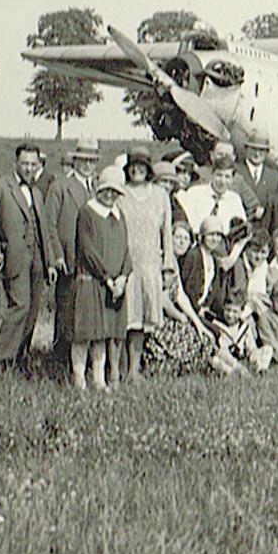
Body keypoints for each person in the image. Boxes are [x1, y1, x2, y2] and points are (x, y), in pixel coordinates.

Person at [0, 143, 53, 370]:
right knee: (19, 306)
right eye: (25, 164)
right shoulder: (0, 187)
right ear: (15, 164)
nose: (29, 168)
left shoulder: (37, 192)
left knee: (32, 310)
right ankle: (2, 362)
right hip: (14, 258)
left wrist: (49, 262)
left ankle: (21, 356)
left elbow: (43, 229)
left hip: (37, 260)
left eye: (33, 164)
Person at [70, 167, 131, 391]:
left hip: (114, 286)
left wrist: (123, 277)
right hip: (91, 282)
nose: (110, 195)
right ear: (99, 188)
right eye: (106, 190)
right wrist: (107, 278)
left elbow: (126, 250)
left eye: (115, 192)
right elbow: (88, 250)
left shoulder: (119, 215)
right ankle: (79, 379)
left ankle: (98, 378)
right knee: (84, 333)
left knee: (103, 334)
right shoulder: (87, 213)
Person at [118, 146, 175, 382]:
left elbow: (167, 233)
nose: (137, 170)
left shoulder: (160, 195)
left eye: (142, 166)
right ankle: (117, 370)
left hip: (150, 265)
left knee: (142, 321)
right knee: (124, 318)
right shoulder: (120, 193)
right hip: (126, 264)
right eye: (133, 166)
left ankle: (135, 369)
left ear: (148, 169)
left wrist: (168, 265)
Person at [43, 139, 97, 361]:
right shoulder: (60, 187)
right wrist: (56, 255)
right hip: (69, 260)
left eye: (91, 161)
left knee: (89, 314)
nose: (87, 165)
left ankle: (86, 360)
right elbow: (49, 225)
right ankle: (60, 358)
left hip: (93, 263)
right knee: (66, 310)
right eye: (83, 160)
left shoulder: (99, 188)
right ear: (75, 161)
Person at [143, 265, 216, 377]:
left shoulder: (172, 262)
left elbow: (180, 296)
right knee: (192, 341)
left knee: (204, 336)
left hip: (172, 322)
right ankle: (222, 367)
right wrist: (179, 316)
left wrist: (198, 324)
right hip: (157, 324)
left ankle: (232, 366)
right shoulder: (156, 261)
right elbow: (161, 300)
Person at [176, 153, 247, 238]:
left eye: (227, 177)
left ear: (232, 179)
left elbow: (241, 228)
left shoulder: (234, 199)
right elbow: (189, 223)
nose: (222, 181)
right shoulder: (194, 193)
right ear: (212, 174)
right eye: (219, 175)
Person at [234, 131, 278, 227]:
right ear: (246, 149)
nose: (257, 153)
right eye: (254, 148)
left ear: (267, 152)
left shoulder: (276, 177)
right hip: (238, 230)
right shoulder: (235, 171)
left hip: (263, 233)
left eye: (262, 150)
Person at [179, 216, 226, 316]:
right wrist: (198, 309)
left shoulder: (214, 261)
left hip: (203, 312)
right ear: (203, 236)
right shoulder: (193, 255)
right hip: (187, 311)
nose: (215, 239)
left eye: (218, 235)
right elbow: (187, 288)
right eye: (211, 234)